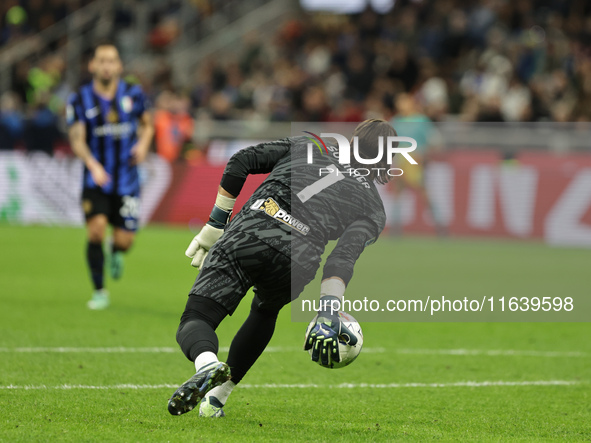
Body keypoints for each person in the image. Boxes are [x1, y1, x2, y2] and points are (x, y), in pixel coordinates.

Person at [168, 119, 395, 417]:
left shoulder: (312, 144)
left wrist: (215, 223)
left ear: (352, 142)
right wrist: (328, 309)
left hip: (250, 231)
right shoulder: (374, 208)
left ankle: (207, 363)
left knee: (197, 316)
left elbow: (241, 161)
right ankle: (216, 400)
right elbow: (342, 259)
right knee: (265, 310)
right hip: (298, 260)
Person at [66, 42, 154, 310]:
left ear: (119, 66)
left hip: (127, 178)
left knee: (125, 241)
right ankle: (100, 291)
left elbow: (148, 126)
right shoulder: (79, 99)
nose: (106, 65)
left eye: (111, 60)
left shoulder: (133, 94)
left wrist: (142, 145)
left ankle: (116, 251)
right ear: (92, 65)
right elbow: (76, 139)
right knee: (96, 231)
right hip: (96, 179)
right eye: (101, 60)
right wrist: (92, 164)